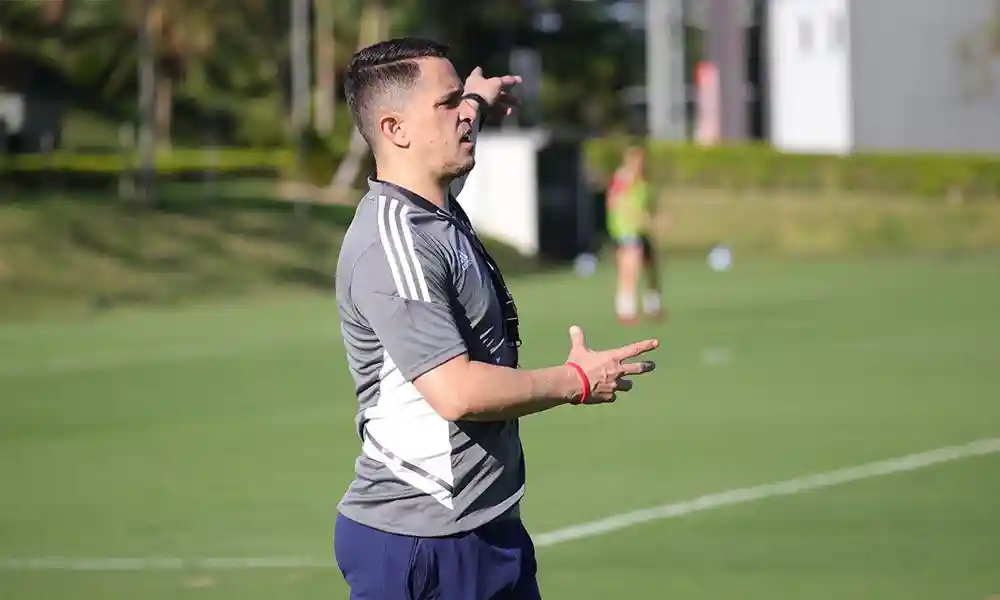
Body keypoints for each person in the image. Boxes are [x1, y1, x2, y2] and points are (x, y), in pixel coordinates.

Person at [333, 37, 660, 600]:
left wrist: (477, 99)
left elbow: (444, 137)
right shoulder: (396, 244)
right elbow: (455, 391)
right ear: (394, 130)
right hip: (424, 539)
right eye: (448, 103)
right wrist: (574, 381)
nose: (464, 114)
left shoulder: (433, 201)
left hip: (485, 525)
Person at [606, 145, 664, 325]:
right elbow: (615, 203)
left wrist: (652, 218)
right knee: (630, 268)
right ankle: (626, 309)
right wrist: (636, 217)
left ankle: (653, 306)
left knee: (651, 266)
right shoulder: (623, 178)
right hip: (626, 229)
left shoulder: (644, 181)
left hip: (641, 229)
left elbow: (648, 203)